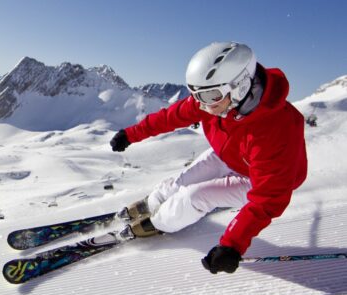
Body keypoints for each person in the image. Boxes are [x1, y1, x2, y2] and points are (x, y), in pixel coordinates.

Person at [110, 42, 307, 274]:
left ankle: (157, 223)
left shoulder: (275, 129)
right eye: (195, 94)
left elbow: (268, 199)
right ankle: (153, 203)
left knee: (196, 195)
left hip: (259, 179)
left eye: (209, 95)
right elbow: (171, 117)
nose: (202, 104)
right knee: (182, 181)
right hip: (229, 155)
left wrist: (232, 245)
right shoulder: (213, 101)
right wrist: (131, 134)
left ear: (241, 86)